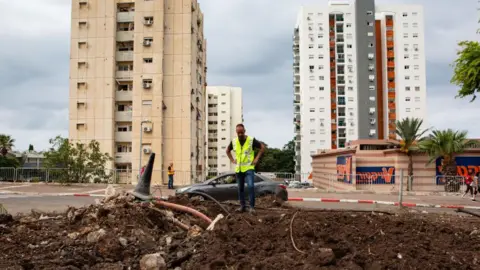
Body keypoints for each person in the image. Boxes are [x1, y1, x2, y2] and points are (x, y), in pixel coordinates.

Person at [226, 123, 265, 214]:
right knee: (240, 188)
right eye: (238, 133)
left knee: (251, 186)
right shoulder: (234, 141)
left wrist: (256, 159)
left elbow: (262, 147)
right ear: (236, 132)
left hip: (249, 168)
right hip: (239, 169)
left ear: (244, 131)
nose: (240, 134)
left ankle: (251, 207)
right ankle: (242, 206)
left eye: (241, 132)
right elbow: (227, 151)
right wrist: (232, 160)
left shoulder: (251, 140)